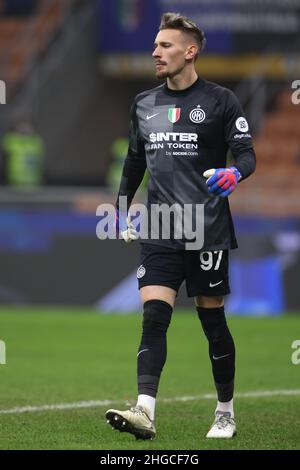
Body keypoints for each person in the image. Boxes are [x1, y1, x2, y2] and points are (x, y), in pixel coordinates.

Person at [105, 12, 256, 440]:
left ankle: (225, 410)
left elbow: (247, 155)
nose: (155, 52)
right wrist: (120, 208)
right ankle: (144, 412)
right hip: (160, 227)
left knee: (213, 323)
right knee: (154, 316)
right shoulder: (143, 104)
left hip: (207, 228)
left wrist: (235, 174)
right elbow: (135, 161)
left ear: (190, 52)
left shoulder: (221, 100)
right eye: (154, 45)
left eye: (165, 45)